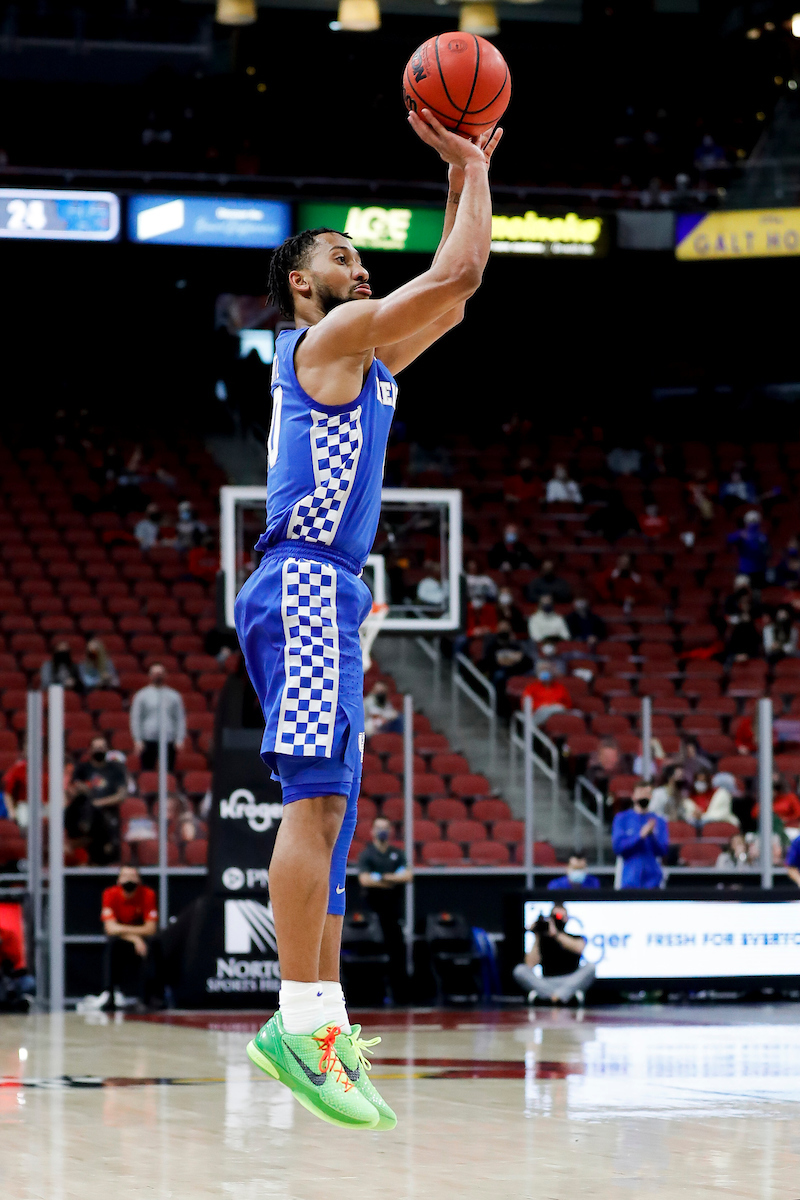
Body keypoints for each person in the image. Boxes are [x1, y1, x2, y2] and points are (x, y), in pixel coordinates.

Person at [233, 109, 503, 1129]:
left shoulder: (368, 362)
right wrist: (470, 161)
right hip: (304, 579)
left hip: (328, 590)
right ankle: (295, 1022)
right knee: (315, 805)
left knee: (333, 814)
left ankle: (325, 1023)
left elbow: (454, 298)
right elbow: (456, 273)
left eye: (360, 257)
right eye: (340, 256)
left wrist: (459, 184)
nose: (359, 266)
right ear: (300, 284)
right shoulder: (327, 337)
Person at [357, 817, 412, 1003]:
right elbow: (365, 880)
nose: (382, 831)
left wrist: (380, 878)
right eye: (379, 827)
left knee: (397, 954)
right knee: (372, 955)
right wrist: (391, 879)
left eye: (386, 828)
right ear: (372, 831)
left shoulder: (397, 854)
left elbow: (407, 876)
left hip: (394, 914)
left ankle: (400, 997)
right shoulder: (367, 855)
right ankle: (372, 996)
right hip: (372, 915)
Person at [100, 866, 158, 1010]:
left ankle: (147, 998)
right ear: (119, 880)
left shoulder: (148, 894)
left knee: (153, 945)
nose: (129, 880)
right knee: (111, 945)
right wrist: (135, 938)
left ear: (139, 880)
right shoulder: (110, 894)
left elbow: (150, 928)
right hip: (123, 940)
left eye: (132, 876)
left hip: (142, 939)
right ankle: (109, 995)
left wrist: (135, 937)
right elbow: (110, 928)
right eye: (125, 876)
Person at [513, 903, 596, 1004]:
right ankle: (555, 996)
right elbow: (530, 964)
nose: (558, 919)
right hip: (546, 982)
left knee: (590, 967)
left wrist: (556, 934)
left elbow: (578, 948)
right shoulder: (543, 940)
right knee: (519, 970)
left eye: (560, 916)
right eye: (555, 916)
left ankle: (556, 996)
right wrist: (537, 936)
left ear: (567, 918)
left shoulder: (575, 937)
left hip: (570, 981)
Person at [65, 735, 128, 865]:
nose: (99, 750)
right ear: (90, 750)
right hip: (85, 817)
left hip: (108, 818)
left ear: (107, 749)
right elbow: (73, 789)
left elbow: (121, 795)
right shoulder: (82, 768)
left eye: (102, 747)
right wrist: (81, 790)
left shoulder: (116, 770)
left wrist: (98, 803)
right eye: (96, 747)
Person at [130, 663, 186, 772]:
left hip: (168, 739)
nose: (158, 676)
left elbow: (179, 718)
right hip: (148, 739)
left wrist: (179, 739)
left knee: (168, 772)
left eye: (160, 673)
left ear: (165, 675)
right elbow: (136, 718)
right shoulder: (141, 695)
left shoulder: (174, 696)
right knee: (147, 772)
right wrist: (137, 739)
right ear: (150, 675)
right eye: (155, 673)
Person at [612, 784, 669, 888]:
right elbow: (618, 848)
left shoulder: (658, 820)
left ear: (651, 797)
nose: (644, 796)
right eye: (641, 793)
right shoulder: (622, 818)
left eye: (647, 793)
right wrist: (640, 836)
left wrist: (652, 836)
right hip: (629, 880)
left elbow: (663, 850)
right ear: (633, 796)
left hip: (653, 881)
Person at [521, 662, 572, 727]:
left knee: (559, 709)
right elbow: (525, 705)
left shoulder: (560, 687)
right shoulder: (531, 688)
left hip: (558, 714)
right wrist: (543, 706)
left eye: (547, 670)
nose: (545, 672)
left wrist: (553, 706)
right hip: (538, 714)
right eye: (542, 670)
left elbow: (568, 705)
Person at [727, 510, 769, 585]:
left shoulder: (762, 537)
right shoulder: (741, 534)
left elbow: (766, 552)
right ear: (746, 522)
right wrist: (740, 535)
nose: (752, 524)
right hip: (744, 570)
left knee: (758, 590)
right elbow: (729, 540)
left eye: (754, 521)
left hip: (759, 570)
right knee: (743, 589)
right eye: (750, 521)